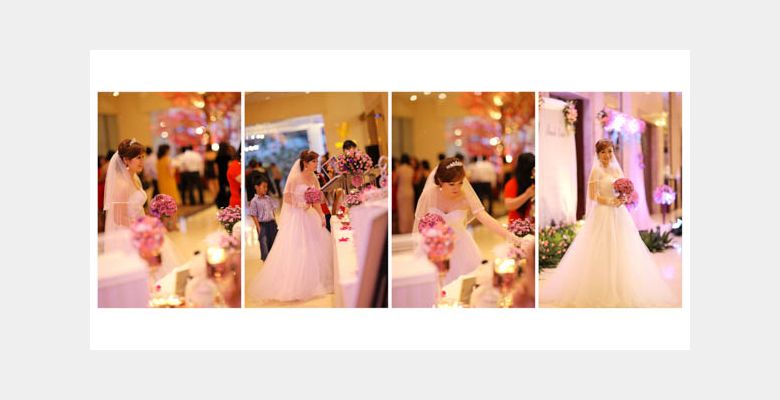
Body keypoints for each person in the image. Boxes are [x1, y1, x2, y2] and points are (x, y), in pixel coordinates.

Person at [539, 139, 677, 307]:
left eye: (609, 151)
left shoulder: (616, 169)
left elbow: (624, 191)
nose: (607, 155)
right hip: (602, 212)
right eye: (603, 152)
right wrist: (609, 201)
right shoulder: (596, 171)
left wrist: (623, 198)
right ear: (598, 154)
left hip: (619, 213)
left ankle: (622, 285)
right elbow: (592, 196)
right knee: (601, 247)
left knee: (622, 247)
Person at [414, 157, 520, 284]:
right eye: (451, 184)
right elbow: (419, 223)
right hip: (434, 248)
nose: (457, 188)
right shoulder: (429, 195)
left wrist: (510, 236)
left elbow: (485, 218)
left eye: (460, 183)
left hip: (461, 248)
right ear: (440, 181)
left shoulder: (465, 197)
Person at [249, 150, 333, 302]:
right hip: (297, 217)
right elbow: (287, 197)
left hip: (310, 215)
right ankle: (296, 283)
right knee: (299, 248)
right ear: (306, 163)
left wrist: (321, 215)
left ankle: (317, 279)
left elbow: (316, 198)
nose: (316, 164)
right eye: (314, 161)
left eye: (317, 161)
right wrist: (300, 204)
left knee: (315, 246)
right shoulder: (295, 177)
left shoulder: (314, 177)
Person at [247, 175, 279, 261]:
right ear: (257, 187)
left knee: (274, 242)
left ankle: (274, 260)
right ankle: (266, 261)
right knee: (264, 244)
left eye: (266, 187)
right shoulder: (254, 201)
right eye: (263, 187)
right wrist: (259, 227)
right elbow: (254, 215)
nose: (266, 189)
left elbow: (272, 211)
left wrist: (275, 222)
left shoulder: (268, 198)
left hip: (272, 223)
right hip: (263, 225)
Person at [503, 153, 535, 224]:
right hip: (517, 225)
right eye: (532, 170)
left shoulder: (534, 182)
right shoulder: (512, 183)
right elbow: (509, 205)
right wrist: (527, 195)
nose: (534, 173)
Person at [394, 154, 415, 234]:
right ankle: (411, 228)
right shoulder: (411, 169)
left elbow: (394, 181)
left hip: (402, 191)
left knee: (402, 211)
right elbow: (413, 181)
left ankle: (403, 229)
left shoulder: (399, 169)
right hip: (410, 191)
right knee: (410, 210)